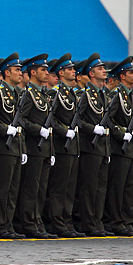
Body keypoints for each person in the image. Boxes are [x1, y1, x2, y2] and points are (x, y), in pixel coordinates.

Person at [0, 53, 25, 240]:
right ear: (7, 73)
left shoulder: (17, 94)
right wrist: (3, 130)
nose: (20, 73)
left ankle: (7, 224)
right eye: (17, 70)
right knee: (1, 188)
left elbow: (19, 124)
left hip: (15, 147)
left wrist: (22, 149)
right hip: (3, 147)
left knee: (12, 188)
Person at [45, 54, 85, 238]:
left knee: (69, 187)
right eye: (69, 69)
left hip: (73, 146)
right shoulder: (55, 93)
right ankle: (56, 222)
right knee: (59, 187)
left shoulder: (70, 93)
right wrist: (63, 131)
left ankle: (66, 221)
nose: (73, 72)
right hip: (62, 145)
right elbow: (50, 118)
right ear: (61, 73)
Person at [15, 54, 55, 239]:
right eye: (42, 70)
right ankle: (28, 222)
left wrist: (52, 150)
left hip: (45, 148)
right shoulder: (28, 94)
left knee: (41, 188)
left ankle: (38, 221)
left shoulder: (43, 94)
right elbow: (20, 119)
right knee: (31, 187)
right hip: (33, 147)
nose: (46, 73)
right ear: (32, 72)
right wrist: (38, 131)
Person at [104, 57, 133, 236]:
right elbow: (107, 119)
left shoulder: (131, 96)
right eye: (131, 73)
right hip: (119, 147)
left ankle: (127, 220)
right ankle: (116, 221)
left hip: (131, 148)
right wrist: (120, 133)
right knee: (117, 187)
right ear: (122, 75)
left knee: (129, 186)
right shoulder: (116, 95)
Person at [75, 54, 111, 236]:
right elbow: (77, 120)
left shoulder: (102, 95)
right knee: (89, 187)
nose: (104, 71)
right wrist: (92, 129)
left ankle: (97, 221)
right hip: (90, 146)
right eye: (100, 69)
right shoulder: (84, 95)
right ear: (91, 73)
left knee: (100, 186)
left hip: (102, 147)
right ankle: (88, 222)